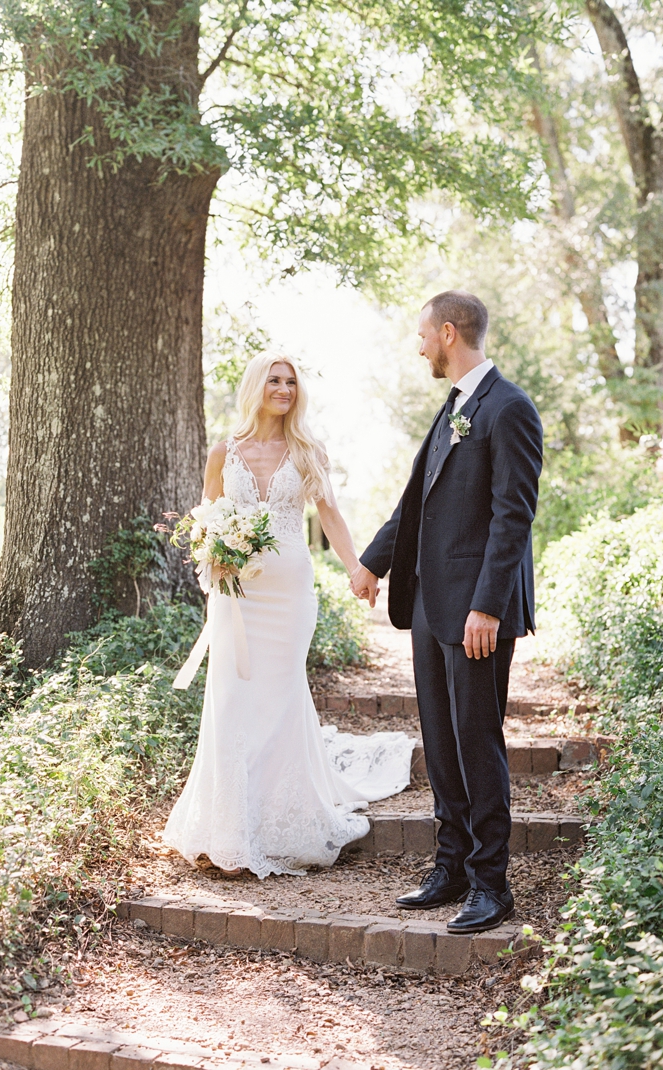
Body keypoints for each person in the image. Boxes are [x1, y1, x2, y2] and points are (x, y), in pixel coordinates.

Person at [161, 356, 414, 878]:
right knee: (232, 699)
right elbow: (204, 520)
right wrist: (213, 553)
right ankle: (230, 828)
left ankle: (279, 822)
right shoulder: (222, 453)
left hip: (290, 593)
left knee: (277, 697)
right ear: (256, 387)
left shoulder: (307, 451)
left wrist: (357, 570)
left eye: (291, 382)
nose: (283, 389)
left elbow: (331, 516)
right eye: (274, 381)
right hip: (237, 596)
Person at [352, 290, 542, 935]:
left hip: (476, 614)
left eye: (423, 333)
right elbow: (417, 503)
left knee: (475, 740)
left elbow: (513, 516)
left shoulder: (508, 408)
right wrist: (374, 563)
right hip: (432, 606)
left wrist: (488, 605)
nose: (419, 344)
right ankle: (452, 864)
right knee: (440, 739)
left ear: (449, 332)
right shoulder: (453, 408)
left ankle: (492, 883)